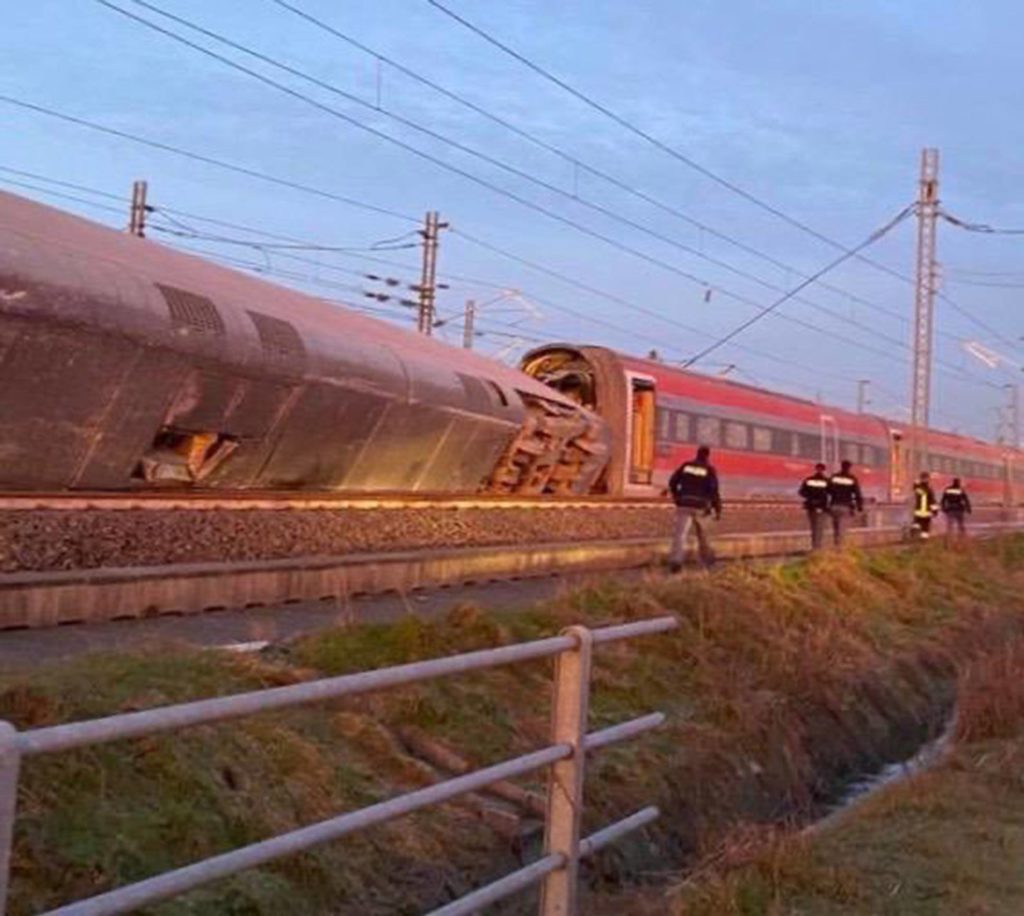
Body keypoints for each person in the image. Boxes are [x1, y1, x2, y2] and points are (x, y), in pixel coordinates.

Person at [667, 445, 722, 572]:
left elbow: (672, 482)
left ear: (696, 454)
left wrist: (677, 497)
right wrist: (717, 509)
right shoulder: (709, 469)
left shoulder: (686, 466)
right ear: (708, 456)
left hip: (684, 504)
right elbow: (714, 492)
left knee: (680, 534)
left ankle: (676, 560)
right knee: (703, 535)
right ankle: (707, 561)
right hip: (700, 507)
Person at [826, 460, 863, 547]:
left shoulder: (834, 477)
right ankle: (840, 550)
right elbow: (857, 494)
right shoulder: (852, 478)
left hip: (834, 506)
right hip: (845, 507)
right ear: (849, 467)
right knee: (842, 530)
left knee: (836, 529)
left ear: (841, 466)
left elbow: (827, 490)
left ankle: (836, 545)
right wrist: (859, 506)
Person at [799, 462, 831, 550]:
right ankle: (817, 546)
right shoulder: (827, 481)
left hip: (811, 506)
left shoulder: (809, 480)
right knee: (820, 527)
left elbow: (801, 492)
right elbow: (832, 493)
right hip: (822, 507)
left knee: (813, 527)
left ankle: (814, 545)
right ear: (824, 470)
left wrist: (810, 496)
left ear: (816, 469)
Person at [911, 471, 939, 539]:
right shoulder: (929, 490)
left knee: (916, 523)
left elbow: (915, 486)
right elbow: (932, 501)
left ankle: (914, 534)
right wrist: (935, 511)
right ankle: (923, 540)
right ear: (927, 479)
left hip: (918, 511)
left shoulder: (918, 488)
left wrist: (917, 481)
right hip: (926, 512)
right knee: (925, 528)